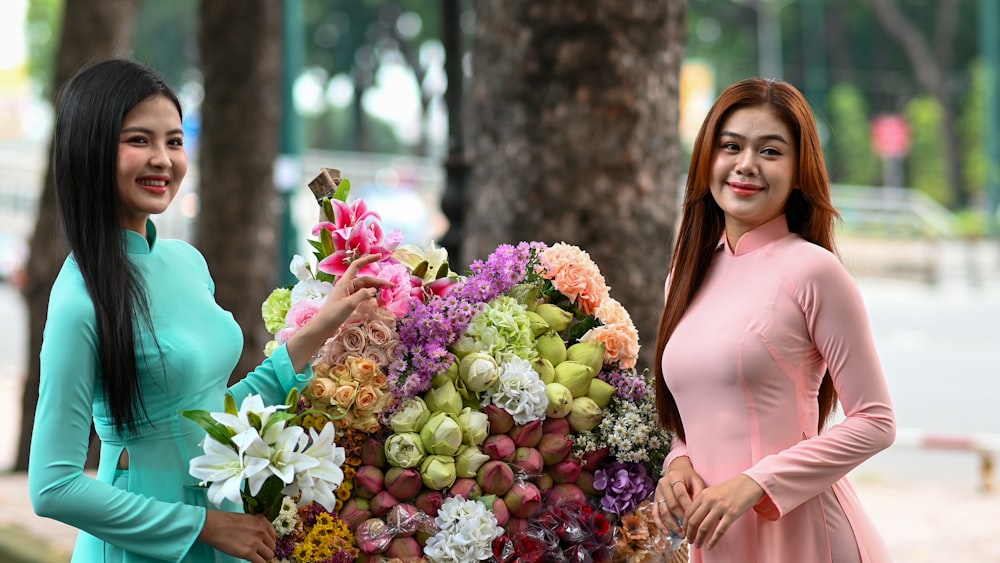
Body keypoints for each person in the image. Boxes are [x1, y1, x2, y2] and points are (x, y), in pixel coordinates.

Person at [28, 58, 390, 563]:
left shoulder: (185, 261)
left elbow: (214, 413)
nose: (163, 159)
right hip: (148, 546)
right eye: (139, 140)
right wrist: (200, 525)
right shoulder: (79, 298)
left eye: (173, 141)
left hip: (225, 528)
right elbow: (53, 486)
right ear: (89, 150)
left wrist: (324, 324)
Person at [650, 78, 896, 563]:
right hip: (719, 537)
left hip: (805, 533)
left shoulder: (813, 271)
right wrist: (677, 463)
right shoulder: (686, 274)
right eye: (731, 146)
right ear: (707, 159)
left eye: (770, 151)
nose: (746, 165)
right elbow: (698, 409)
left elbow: (876, 422)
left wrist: (757, 482)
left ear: (799, 171)